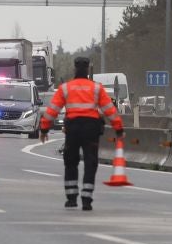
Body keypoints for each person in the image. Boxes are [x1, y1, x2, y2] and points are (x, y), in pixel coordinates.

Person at [40, 57, 124, 211]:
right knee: (90, 162)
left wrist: (44, 129)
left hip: (72, 128)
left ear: (74, 68)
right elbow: (110, 111)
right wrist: (119, 129)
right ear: (88, 69)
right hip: (91, 128)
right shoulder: (97, 88)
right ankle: (87, 199)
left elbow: (52, 110)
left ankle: (71, 199)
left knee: (71, 161)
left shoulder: (66, 88)